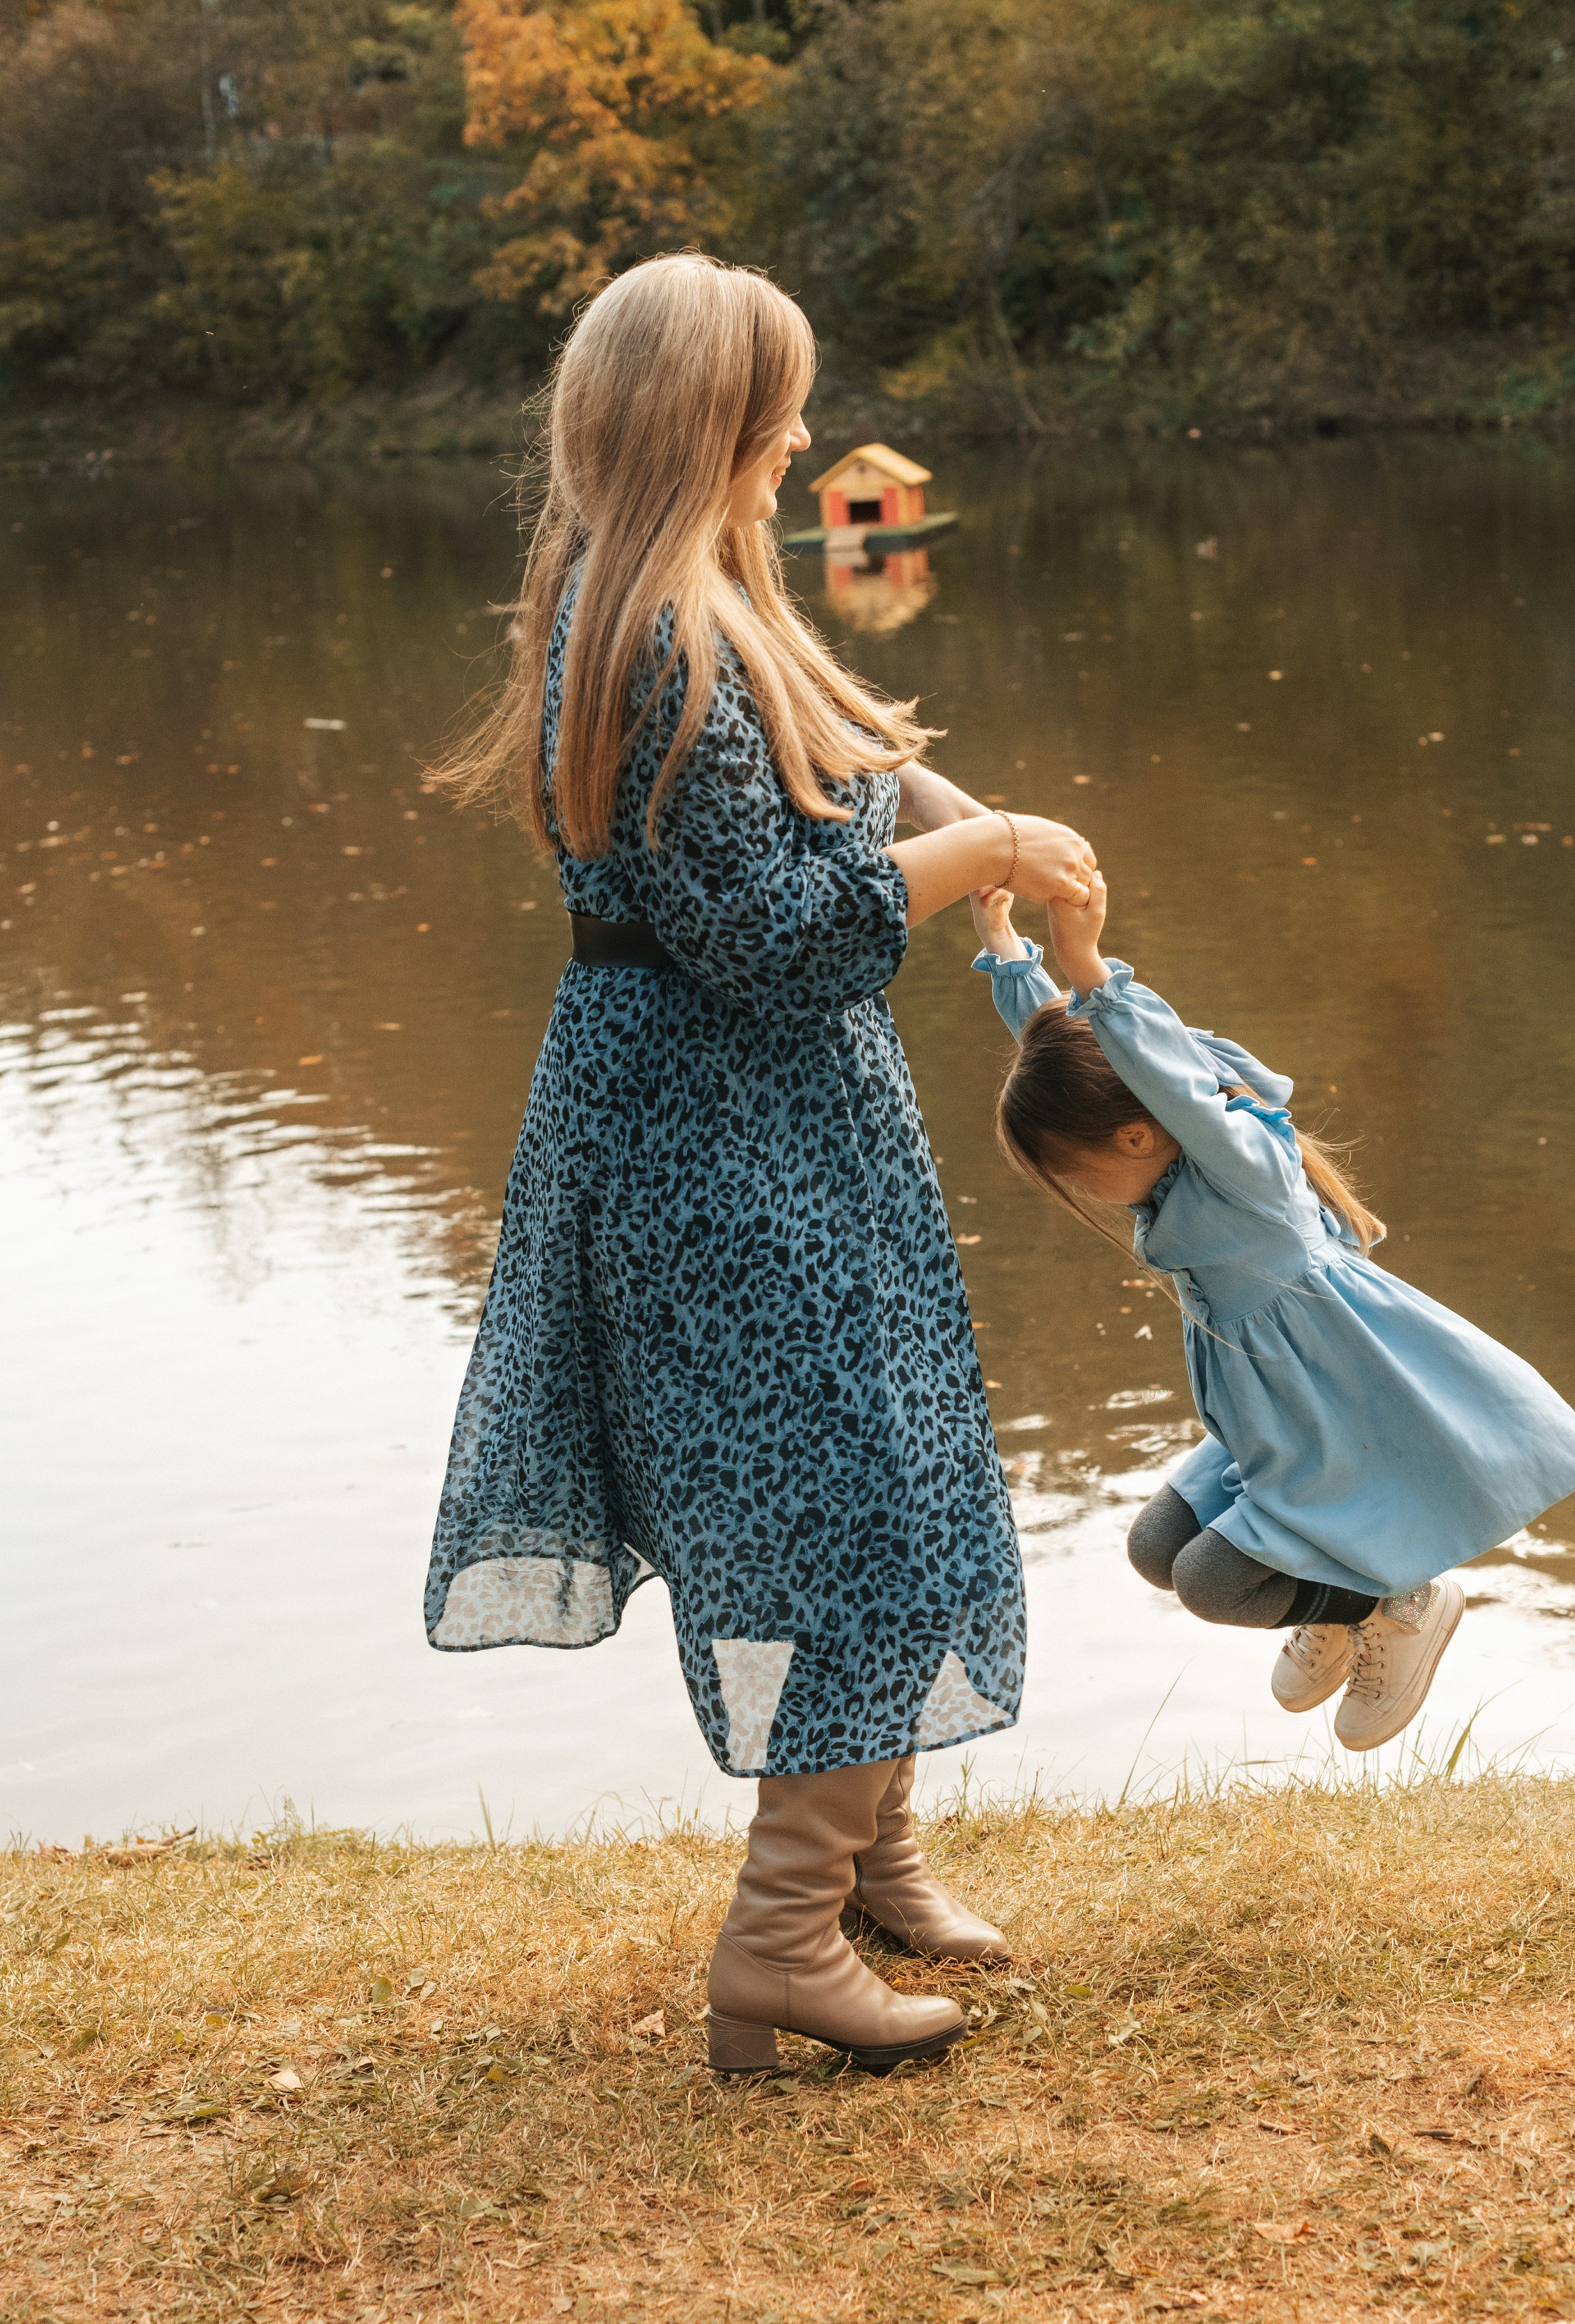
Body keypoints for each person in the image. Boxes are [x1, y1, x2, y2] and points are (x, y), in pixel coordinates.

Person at [421, 255, 1101, 2076]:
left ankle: (870, 1856)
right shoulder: (653, 628)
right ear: (704, 423)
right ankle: (782, 1936)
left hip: (778, 1117)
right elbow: (772, 934)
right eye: (780, 404)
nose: (806, 433)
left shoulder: (683, 590)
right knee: (846, 1505)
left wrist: (937, 803)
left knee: (874, 1457)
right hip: (714, 1136)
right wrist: (994, 852)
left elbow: (791, 802)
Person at [970, 877, 1575, 1751]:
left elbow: (1161, 1081)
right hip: (1273, 1414)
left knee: (1211, 1584)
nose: (1078, 1191)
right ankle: (1341, 1606)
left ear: (1134, 1136)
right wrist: (1010, 954)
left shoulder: (1242, 1170)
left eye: (1074, 1171)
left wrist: (1087, 965)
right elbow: (1078, 1062)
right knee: (1156, 1548)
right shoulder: (1159, 1153)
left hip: (1334, 1404)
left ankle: (1397, 1602)